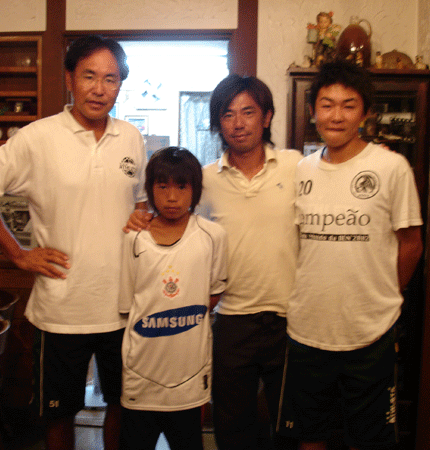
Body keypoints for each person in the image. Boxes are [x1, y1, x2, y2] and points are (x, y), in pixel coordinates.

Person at [0, 35, 147, 450]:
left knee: (123, 405)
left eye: (111, 79)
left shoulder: (132, 138)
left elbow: (139, 201)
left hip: (122, 306)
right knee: (58, 414)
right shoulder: (37, 138)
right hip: (61, 309)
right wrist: (17, 253)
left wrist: (141, 215)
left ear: (120, 85)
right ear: (69, 79)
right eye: (89, 76)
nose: (99, 89)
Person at [125, 74, 301, 450]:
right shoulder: (203, 181)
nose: (238, 123)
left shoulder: (296, 167)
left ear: (267, 117)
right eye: (227, 114)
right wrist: (141, 217)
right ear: (218, 122)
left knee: (290, 427)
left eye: (248, 112)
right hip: (230, 322)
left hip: (288, 321)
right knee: (233, 428)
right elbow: (175, 223)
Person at [277, 60, 424, 450]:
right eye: (327, 105)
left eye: (348, 105)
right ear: (313, 111)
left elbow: (411, 243)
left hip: (370, 333)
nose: (336, 116)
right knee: (309, 437)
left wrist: (385, 294)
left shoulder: (392, 167)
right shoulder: (302, 170)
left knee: (370, 440)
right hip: (308, 330)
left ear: (366, 112)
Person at [118, 147, 227, 450]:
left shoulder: (213, 236)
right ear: (150, 188)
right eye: (162, 186)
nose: (171, 197)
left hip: (189, 374)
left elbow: (213, 293)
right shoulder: (134, 237)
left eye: (181, 186)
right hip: (141, 372)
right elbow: (128, 305)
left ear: (195, 190)